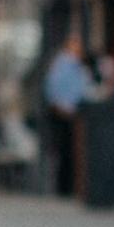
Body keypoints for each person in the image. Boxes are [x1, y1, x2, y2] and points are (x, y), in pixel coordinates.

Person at [43, 34, 89, 197]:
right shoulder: (63, 64)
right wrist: (61, 106)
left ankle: (69, 186)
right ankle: (64, 187)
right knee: (65, 152)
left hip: (74, 113)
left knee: (70, 153)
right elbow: (53, 89)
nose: (79, 50)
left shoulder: (75, 65)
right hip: (64, 114)